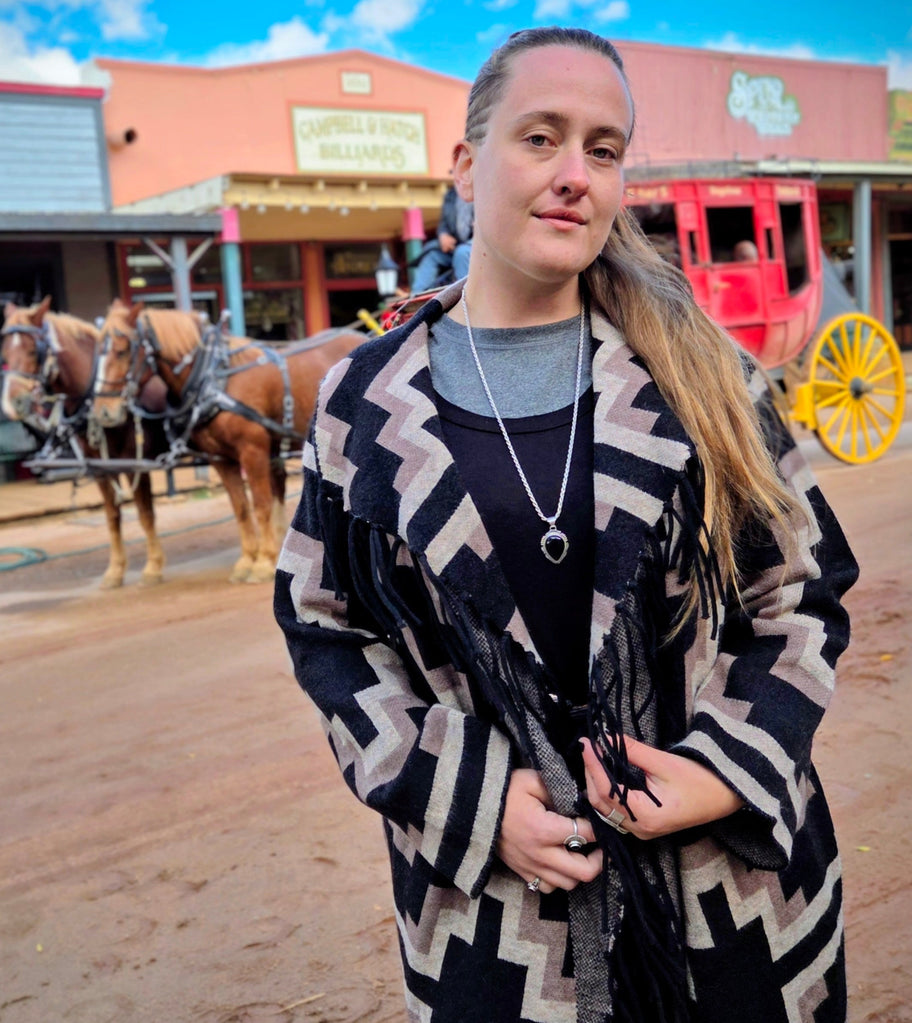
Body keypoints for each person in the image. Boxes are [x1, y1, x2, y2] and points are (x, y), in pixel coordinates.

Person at [275, 26, 858, 1023]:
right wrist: (469, 800)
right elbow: (325, 628)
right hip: (497, 939)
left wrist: (723, 772)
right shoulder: (361, 403)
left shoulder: (704, 375)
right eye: (539, 137)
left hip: (739, 919)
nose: (572, 175)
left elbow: (801, 596)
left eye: (602, 147)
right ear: (464, 163)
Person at [410, 172, 474, 292]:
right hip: (456, 245)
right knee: (432, 255)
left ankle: (464, 296)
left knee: (462, 253)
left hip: (478, 245)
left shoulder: (485, 191)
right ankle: (417, 295)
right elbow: (443, 223)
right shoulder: (451, 195)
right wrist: (443, 235)